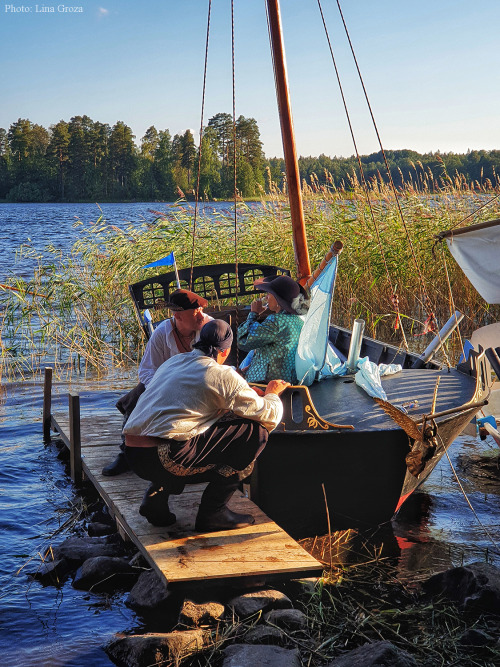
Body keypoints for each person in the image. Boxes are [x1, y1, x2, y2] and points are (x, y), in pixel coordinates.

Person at [123, 319, 290, 532]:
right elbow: (270, 415)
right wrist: (272, 393)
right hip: (164, 458)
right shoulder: (223, 375)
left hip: (133, 454)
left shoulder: (174, 362)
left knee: (186, 427)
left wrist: (240, 392)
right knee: (254, 432)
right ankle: (213, 513)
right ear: (226, 351)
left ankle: (156, 498)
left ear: (198, 342)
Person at [102, 289, 212, 476]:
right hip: (163, 384)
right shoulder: (162, 333)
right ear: (178, 315)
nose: (202, 315)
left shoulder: (209, 327)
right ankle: (126, 454)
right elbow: (146, 370)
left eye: (201, 310)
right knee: (138, 398)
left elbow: (217, 363)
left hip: (198, 386)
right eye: (196, 312)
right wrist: (164, 388)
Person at [237, 274, 310, 384]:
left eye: (269, 294)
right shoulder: (297, 320)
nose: (266, 297)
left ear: (278, 300)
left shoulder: (276, 321)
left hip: (267, 383)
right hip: (287, 379)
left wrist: (253, 314)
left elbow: (243, 340)